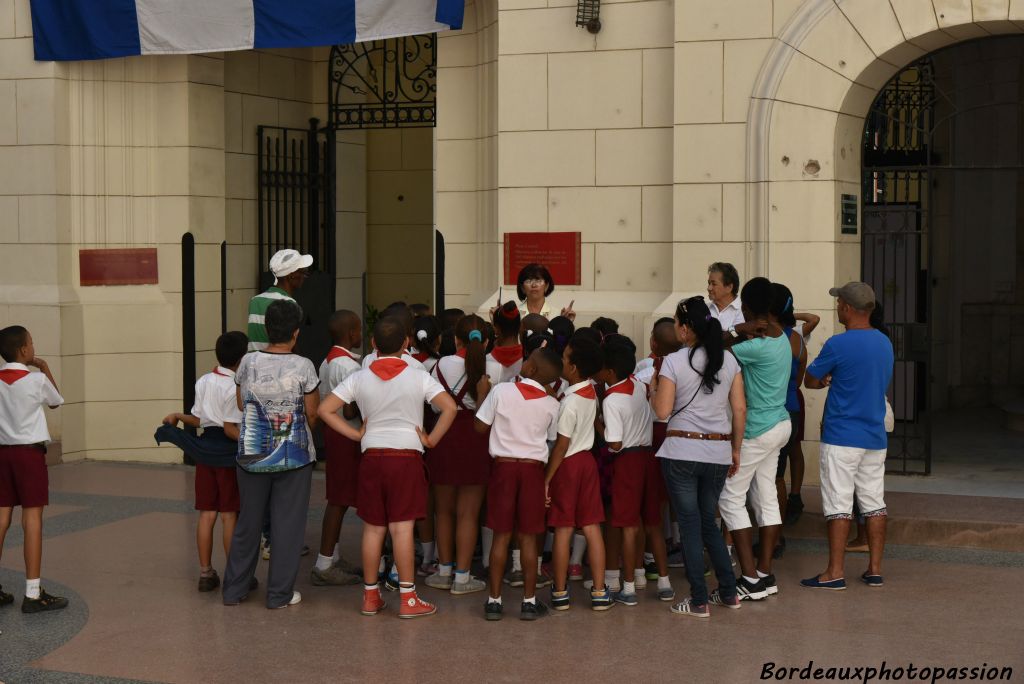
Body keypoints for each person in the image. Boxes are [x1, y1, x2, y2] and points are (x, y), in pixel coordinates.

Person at [318, 316, 457, 619]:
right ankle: (408, 599)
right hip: (406, 458)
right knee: (403, 528)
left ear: (373, 345)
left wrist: (356, 434)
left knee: (373, 528)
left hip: (372, 457)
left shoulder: (360, 376)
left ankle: (370, 597)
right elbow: (450, 407)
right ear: (407, 343)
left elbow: (324, 409)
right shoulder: (418, 375)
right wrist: (430, 439)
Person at [650, 297, 745, 618]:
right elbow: (740, 409)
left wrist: (653, 392)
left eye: (678, 323)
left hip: (681, 451)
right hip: (718, 450)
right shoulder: (729, 361)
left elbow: (662, 412)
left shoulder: (674, 362)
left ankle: (699, 600)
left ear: (686, 328)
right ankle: (729, 593)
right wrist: (735, 449)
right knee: (708, 524)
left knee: (690, 526)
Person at [223, 299, 320, 609]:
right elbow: (313, 413)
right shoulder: (304, 365)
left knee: (248, 523)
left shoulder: (248, 362)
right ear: (295, 333)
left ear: (266, 329)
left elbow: (241, 404)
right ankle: (279, 594)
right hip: (294, 456)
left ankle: (234, 590)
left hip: (251, 454)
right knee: (287, 526)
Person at [801, 283, 893, 591]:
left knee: (838, 504)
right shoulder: (884, 343)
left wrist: (827, 379)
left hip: (842, 435)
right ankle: (875, 570)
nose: (837, 306)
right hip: (874, 436)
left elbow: (810, 380)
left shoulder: (837, 344)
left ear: (848, 309)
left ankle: (834, 572)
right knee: (874, 503)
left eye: (839, 302)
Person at [474, 347, 563, 621]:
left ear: (532, 369)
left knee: (501, 535)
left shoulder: (500, 391)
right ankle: (528, 601)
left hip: (503, 469)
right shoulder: (552, 404)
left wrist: (482, 394)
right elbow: (550, 438)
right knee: (528, 538)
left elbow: (479, 427)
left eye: (528, 360)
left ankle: (494, 601)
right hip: (533, 471)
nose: (523, 362)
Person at [718, 277, 792, 601]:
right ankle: (764, 574)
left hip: (757, 431)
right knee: (766, 498)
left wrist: (737, 331)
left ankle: (748, 578)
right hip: (780, 425)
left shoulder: (754, 347)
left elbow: (717, 347)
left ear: (745, 307)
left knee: (730, 499)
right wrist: (747, 328)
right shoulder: (782, 340)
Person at [158, 331, 248, 592]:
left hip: (204, 452)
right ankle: (236, 574)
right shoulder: (235, 387)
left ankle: (206, 573)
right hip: (227, 454)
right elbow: (231, 429)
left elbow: (199, 419)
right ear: (241, 360)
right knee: (229, 515)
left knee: (207, 513)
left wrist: (178, 415)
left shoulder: (204, 380)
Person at [599, 337, 672, 605]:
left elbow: (615, 443)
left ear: (609, 372)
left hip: (627, 461)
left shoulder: (611, 400)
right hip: (648, 457)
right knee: (652, 523)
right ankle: (664, 582)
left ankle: (627, 587)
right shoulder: (640, 386)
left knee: (628, 525)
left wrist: (599, 428)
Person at [424, 315, 494, 596]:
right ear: (486, 341)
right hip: (476, 436)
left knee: (443, 510)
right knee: (469, 512)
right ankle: (463, 577)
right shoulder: (493, 368)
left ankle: (443, 571)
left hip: (444, 434)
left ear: (455, 340)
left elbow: (431, 403)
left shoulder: (439, 365)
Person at [0, 325, 67, 613]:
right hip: (29, 456)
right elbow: (56, 401)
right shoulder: (36, 379)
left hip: (2, 454)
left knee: (1, 518)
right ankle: (33, 592)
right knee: (32, 520)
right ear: (25, 350)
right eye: (32, 343)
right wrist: (45, 367)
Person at [545, 337, 613, 611]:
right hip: (587, 462)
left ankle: (560, 591)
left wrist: (547, 478)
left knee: (563, 529)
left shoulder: (570, 402)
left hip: (568, 464)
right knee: (591, 526)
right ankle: (599, 591)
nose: (560, 361)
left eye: (564, 358)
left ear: (572, 368)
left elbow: (561, 445)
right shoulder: (590, 393)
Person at [312, 310, 363, 586]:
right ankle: (324, 563)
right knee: (340, 499)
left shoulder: (327, 361)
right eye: (359, 330)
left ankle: (333, 557)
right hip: (348, 434)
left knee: (339, 498)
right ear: (351, 333)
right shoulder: (349, 367)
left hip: (334, 433)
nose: (362, 334)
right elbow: (350, 406)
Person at [770, 284, 820, 534]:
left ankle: (773, 536)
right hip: (791, 405)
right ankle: (775, 535)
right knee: (777, 474)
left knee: (772, 477)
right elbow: (799, 379)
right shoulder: (797, 340)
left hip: (770, 411)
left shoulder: (766, 338)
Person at [247, 249, 312, 352]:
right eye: (303, 273)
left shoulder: (255, 300)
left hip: (253, 362)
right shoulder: (289, 304)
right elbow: (288, 344)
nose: (304, 277)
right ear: (292, 275)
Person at [707, 262, 744, 334]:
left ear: (729, 287)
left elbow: (736, 337)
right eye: (709, 283)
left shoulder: (742, 310)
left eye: (714, 284)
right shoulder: (705, 308)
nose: (709, 288)